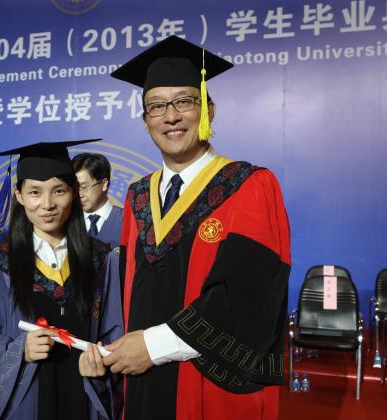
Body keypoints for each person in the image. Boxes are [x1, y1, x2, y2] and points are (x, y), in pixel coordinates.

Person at [103, 36, 291, 420]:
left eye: (184, 102)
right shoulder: (138, 196)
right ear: (145, 121)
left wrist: (153, 346)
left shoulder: (247, 184)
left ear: (208, 109)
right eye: (156, 106)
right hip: (141, 382)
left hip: (206, 386)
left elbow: (249, 296)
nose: (170, 117)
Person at [0, 140, 123, 420]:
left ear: (74, 192)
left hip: (83, 395)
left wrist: (102, 362)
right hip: (29, 399)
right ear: (19, 195)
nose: (47, 204)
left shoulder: (102, 259)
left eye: (59, 190)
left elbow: (115, 330)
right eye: (35, 192)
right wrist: (18, 350)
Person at [72, 153, 123, 250]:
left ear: (104, 184)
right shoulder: (70, 222)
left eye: (84, 187)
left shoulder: (126, 220)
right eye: (75, 189)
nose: (79, 194)